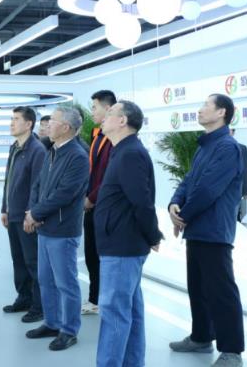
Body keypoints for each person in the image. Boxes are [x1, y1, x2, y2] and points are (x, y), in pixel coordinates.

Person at [169, 94, 245, 367]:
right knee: (198, 288)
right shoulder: (205, 146)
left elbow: (208, 190)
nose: (200, 110)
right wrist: (174, 203)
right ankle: (201, 337)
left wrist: (183, 216)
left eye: (205, 106)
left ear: (222, 112)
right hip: (197, 229)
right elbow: (189, 181)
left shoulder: (228, 148)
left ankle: (232, 351)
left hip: (214, 231)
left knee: (221, 291)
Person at [93, 100, 163, 367]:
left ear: (123, 121)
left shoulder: (129, 153)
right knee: (129, 312)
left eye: (110, 112)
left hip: (122, 246)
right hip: (121, 243)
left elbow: (141, 202)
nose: (103, 116)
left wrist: (153, 235)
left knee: (114, 313)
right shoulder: (122, 150)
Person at [24, 107, 89, 351]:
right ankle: (52, 323)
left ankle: (69, 330)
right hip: (44, 227)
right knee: (46, 279)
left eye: (53, 120)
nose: (48, 124)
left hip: (62, 229)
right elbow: (38, 185)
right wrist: (32, 211)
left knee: (66, 283)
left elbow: (65, 194)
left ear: (66, 127)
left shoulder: (78, 156)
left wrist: (36, 214)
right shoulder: (53, 150)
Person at [1, 107, 47, 323]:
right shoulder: (15, 147)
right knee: (18, 260)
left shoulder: (37, 150)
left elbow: (37, 187)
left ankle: (39, 306)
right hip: (13, 214)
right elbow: (8, 180)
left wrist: (31, 214)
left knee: (33, 262)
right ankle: (24, 297)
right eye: (11, 119)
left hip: (26, 216)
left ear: (28, 124)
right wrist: (4, 208)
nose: (12, 123)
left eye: (16, 119)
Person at [82, 90, 117, 315]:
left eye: (95, 107)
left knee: (104, 257)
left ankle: (102, 299)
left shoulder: (114, 140)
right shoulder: (97, 136)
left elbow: (108, 177)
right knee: (91, 255)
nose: (92, 111)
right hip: (91, 206)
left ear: (108, 108)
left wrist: (91, 198)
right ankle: (95, 298)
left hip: (103, 206)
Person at [230, 129, 247, 222]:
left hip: (235, 192)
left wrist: (246, 191)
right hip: (216, 193)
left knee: (235, 219)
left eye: (229, 130)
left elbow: (246, 170)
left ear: (233, 132)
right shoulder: (211, 148)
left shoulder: (241, 148)